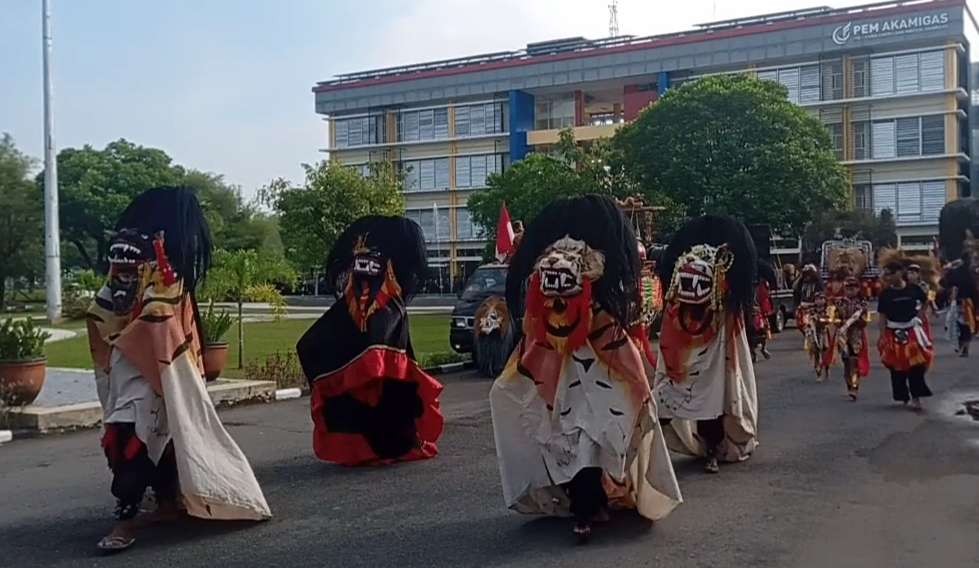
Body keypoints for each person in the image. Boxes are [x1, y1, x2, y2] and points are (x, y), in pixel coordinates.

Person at [86, 187, 271, 553]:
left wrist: (138, 324)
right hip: (131, 370)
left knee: (132, 440)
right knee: (164, 438)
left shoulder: (170, 278)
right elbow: (102, 311)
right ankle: (168, 503)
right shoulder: (132, 267)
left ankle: (125, 520)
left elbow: (163, 320)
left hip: (160, 372)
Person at [490, 195, 681, 544]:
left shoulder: (597, 302)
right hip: (562, 374)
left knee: (596, 438)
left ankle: (592, 502)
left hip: (598, 373)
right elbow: (538, 330)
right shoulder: (551, 298)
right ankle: (584, 506)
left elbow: (614, 342)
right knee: (572, 440)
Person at [296, 216, 444, 465]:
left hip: (382, 318)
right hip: (358, 318)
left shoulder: (390, 288)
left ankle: (394, 443)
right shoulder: (355, 283)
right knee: (314, 348)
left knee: (390, 387)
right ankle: (365, 444)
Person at [653, 215, 759, 475]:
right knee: (669, 395)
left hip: (716, 349)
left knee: (714, 400)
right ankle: (653, 445)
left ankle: (713, 449)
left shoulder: (724, 309)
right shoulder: (678, 306)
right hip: (685, 350)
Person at [876, 250, 934, 410]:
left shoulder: (913, 289)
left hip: (912, 331)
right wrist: (882, 336)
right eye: (885, 275)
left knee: (916, 365)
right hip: (894, 332)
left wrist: (921, 316)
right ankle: (902, 395)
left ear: (900, 273)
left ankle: (917, 396)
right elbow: (882, 316)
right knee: (896, 366)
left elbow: (925, 301)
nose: (887, 277)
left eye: (890, 274)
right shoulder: (885, 294)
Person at [834, 277, 870, 400]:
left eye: (853, 288)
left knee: (854, 360)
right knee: (846, 361)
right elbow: (834, 319)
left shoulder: (863, 304)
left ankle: (855, 387)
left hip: (856, 334)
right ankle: (849, 384)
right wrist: (840, 322)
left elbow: (865, 320)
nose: (850, 291)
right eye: (848, 288)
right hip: (843, 333)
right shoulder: (839, 303)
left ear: (858, 289)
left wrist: (858, 320)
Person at [793, 264, 823, 338]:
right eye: (806, 273)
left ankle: (817, 335)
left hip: (814, 306)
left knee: (818, 323)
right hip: (803, 306)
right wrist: (800, 277)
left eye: (809, 273)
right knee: (800, 323)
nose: (807, 275)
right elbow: (795, 288)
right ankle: (807, 335)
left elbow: (821, 293)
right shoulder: (801, 282)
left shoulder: (818, 282)